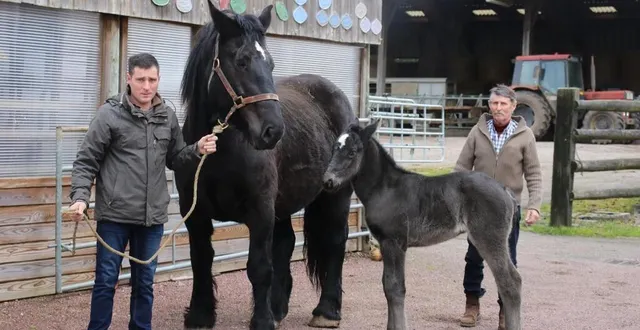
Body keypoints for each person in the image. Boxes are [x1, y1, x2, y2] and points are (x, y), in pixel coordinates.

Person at [68, 52, 218, 330]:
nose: (146, 86)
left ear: (158, 79)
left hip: (152, 219)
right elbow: (86, 160)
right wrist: (79, 198)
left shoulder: (167, 117)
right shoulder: (109, 115)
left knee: (145, 284)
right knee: (105, 282)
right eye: (140, 79)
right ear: (129, 79)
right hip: (114, 216)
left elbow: (175, 159)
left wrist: (196, 149)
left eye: (152, 79)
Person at [453, 84, 542, 330]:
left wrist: (534, 205)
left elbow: (533, 173)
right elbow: (461, 169)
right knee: (473, 258)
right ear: (489, 106)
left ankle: (505, 311)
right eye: (494, 103)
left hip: (508, 209)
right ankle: (472, 306)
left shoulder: (525, 135)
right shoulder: (477, 132)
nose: (498, 108)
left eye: (503, 104)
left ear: (513, 106)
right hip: (477, 209)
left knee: (507, 261)